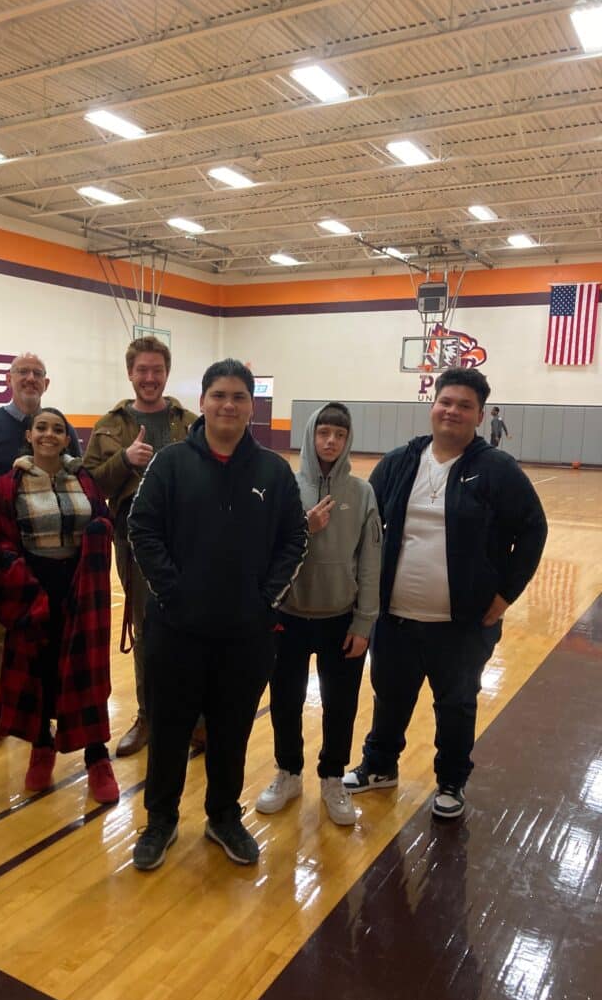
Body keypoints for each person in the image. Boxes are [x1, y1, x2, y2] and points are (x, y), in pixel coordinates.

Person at [128, 358, 308, 870]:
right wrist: (173, 593)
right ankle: (160, 821)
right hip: (176, 629)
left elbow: (294, 538)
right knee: (169, 729)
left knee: (231, 731)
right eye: (219, 395)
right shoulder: (169, 464)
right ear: (202, 402)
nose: (228, 405)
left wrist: (262, 598)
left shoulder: (273, 470)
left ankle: (224, 817)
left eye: (239, 397)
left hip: (246, 634)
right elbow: (142, 529)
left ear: (251, 406)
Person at [345, 368, 547, 818]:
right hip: (394, 619)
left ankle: (451, 781)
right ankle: (380, 767)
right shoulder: (399, 462)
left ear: (479, 416)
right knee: (389, 696)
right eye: (446, 402)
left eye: (465, 406)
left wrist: (505, 595)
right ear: (432, 405)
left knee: (455, 705)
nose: (453, 411)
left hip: (462, 626)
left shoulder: (496, 469)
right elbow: (364, 526)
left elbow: (533, 530)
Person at [255, 402, 381, 826]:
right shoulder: (286, 487)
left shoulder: (361, 493)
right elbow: (266, 552)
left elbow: (370, 562)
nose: (331, 441)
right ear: (310, 436)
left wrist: (364, 623)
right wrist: (301, 528)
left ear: (347, 441)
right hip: (288, 618)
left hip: (340, 619)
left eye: (339, 435)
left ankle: (331, 777)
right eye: (324, 432)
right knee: (285, 702)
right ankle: (288, 772)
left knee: (340, 704)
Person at [0, 408, 118, 801]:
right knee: (39, 671)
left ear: (66, 438)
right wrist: (21, 583)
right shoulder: (7, 485)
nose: (49, 435)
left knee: (86, 672)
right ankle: (41, 747)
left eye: (57, 430)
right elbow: (1, 539)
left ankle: (97, 757)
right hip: (32, 586)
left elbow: (102, 517)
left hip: (80, 587)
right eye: (41, 428)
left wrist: (100, 531)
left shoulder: (84, 479)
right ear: (28, 435)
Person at [0, 353, 80, 755]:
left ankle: (44, 716)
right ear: (9, 379)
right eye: (22, 372)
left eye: (37, 374)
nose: (30, 379)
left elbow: (76, 479)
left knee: (48, 639)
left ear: (46, 384)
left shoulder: (63, 429)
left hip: (50, 559)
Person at [84, 335, 197, 757]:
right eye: (142, 370)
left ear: (166, 373)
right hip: (135, 543)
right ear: (130, 373)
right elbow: (90, 484)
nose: (149, 378)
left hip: (190, 540)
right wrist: (125, 460)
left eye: (157, 370)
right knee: (147, 629)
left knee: (193, 626)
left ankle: (194, 719)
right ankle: (148, 715)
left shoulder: (189, 422)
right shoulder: (109, 426)